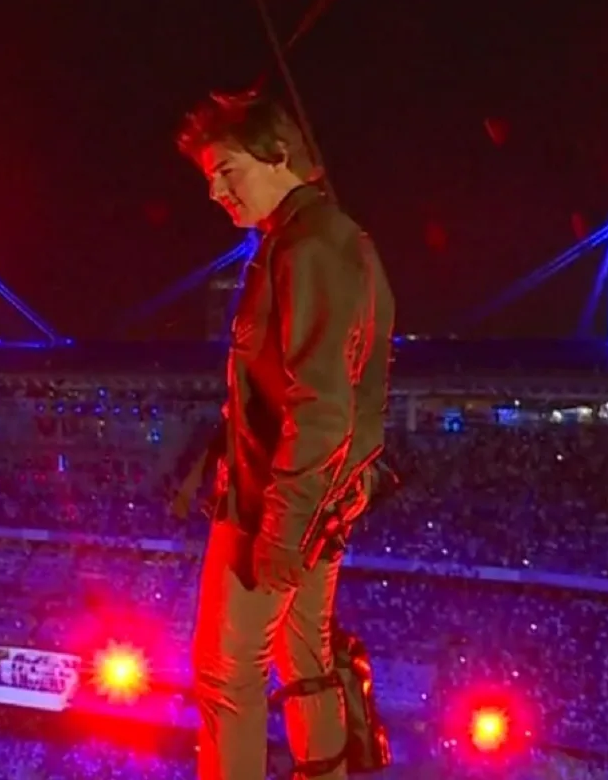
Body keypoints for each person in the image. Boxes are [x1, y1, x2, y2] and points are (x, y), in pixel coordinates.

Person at [175, 91, 395, 780]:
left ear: (276, 156)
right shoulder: (313, 240)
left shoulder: (311, 247)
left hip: (274, 504)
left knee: (225, 676)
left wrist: (278, 529)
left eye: (225, 171)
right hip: (310, 503)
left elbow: (321, 407)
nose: (213, 191)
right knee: (304, 658)